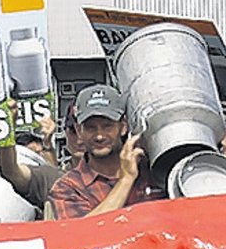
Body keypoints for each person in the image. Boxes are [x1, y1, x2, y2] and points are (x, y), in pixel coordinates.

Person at [48, 85, 166, 218]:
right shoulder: (68, 188)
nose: (99, 136)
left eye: (107, 126)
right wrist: (126, 179)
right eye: (91, 128)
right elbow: (80, 232)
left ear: (123, 126)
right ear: (79, 130)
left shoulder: (154, 168)